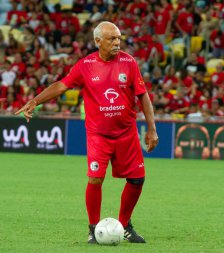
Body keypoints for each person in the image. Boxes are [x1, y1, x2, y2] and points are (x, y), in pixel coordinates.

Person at [15, 21, 159, 244]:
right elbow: (61, 85)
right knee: (95, 178)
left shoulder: (129, 63)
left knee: (137, 179)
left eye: (119, 38)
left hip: (127, 133)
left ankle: (125, 225)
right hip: (98, 135)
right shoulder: (85, 65)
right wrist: (35, 101)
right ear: (98, 41)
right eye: (112, 39)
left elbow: (143, 95)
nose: (117, 42)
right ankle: (93, 229)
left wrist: (151, 128)